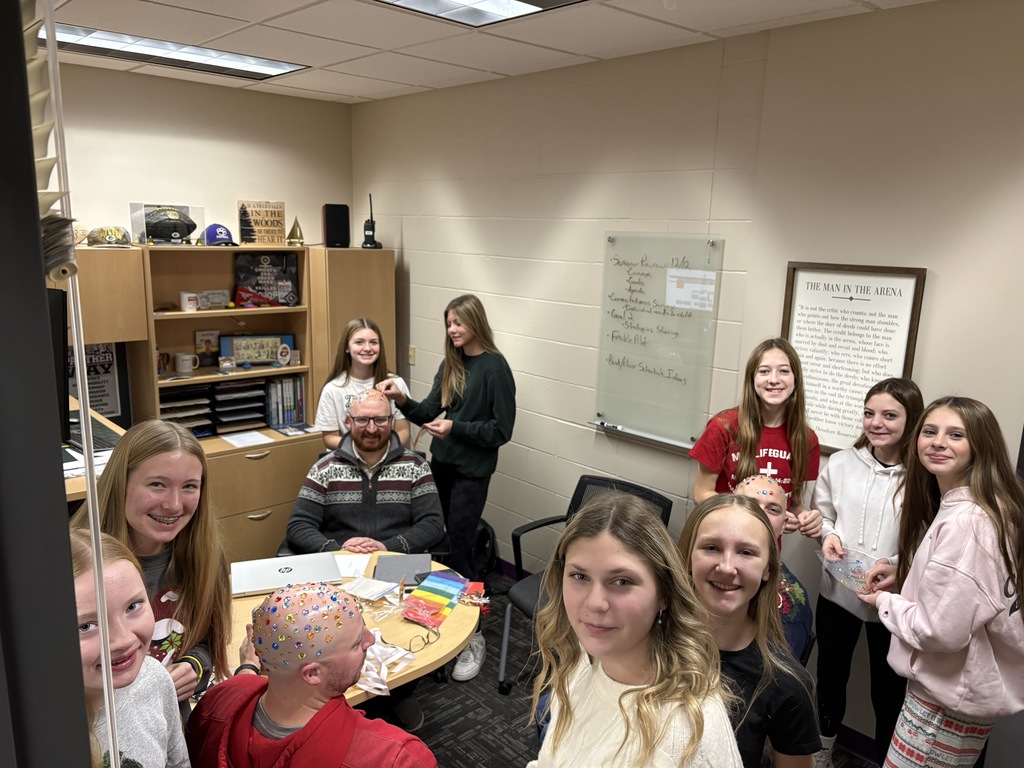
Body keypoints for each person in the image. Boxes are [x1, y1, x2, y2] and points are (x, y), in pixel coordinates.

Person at [859, 397, 1024, 767]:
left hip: (943, 706)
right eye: (930, 431)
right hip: (960, 699)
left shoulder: (967, 521)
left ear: (980, 446)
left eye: (956, 435)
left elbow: (939, 630)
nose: (937, 442)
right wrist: (905, 572)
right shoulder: (987, 506)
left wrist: (885, 603)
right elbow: (968, 587)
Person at [528, 491, 741, 768]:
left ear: (663, 593)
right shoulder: (582, 659)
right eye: (579, 576)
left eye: (622, 582)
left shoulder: (687, 731)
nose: (595, 603)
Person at [378, 293, 515, 681]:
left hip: (473, 471)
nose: (452, 330)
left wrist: (457, 428)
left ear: (476, 322)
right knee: (438, 542)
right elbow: (426, 411)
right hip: (444, 465)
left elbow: (501, 431)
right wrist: (400, 398)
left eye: (459, 322)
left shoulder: (495, 369)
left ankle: (473, 635)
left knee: (460, 548)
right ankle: (438, 620)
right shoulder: (451, 363)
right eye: (448, 323)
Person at [70, 419, 233, 719]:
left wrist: (194, 666)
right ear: (122, 482)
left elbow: (207, 639)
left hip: (170, 728)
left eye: (189, 487)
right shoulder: (76, 564)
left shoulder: (206, 557)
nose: (173, 505)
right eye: (157, 484)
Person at [186, 583, 437, 768]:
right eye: (356, 642)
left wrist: (246, 672)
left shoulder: (216, 700)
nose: (371, 641)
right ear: (313, 673)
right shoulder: (397, 759)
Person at [811, 378, 922, 767]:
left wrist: (893, 564)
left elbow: (928, 539)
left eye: (890, 415)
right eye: (869, 413)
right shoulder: (841, 463)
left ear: (911, 419)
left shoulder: (923, 477)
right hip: (837, 592)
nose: (877, 423)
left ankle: (888, 759)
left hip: (891, 601)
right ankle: (823, 750)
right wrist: (827, 536)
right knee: (830, 676)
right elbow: (823, 516)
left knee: (888, 691)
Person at [679, 494, 820, 768]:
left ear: (768, 569)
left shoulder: (785, 684)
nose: (727, 567)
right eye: (711, 547)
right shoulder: (648, 642)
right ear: (687, 556)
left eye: (746, 552)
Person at [70, 527, 190, 768]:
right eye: (86, 626)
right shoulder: (34, 730)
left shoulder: (155, 678)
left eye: (133, 607)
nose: (124, 640)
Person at [689, 338, 821, 537]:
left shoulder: (806, 439)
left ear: (796, 379)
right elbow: (701, 494)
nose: (774, 379)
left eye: (784, 371)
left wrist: (804, 517)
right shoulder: (724, 426)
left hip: (766, 551)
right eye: (764, 371)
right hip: (723, 537)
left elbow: (791, 503)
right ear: (752, 379)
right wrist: (752, 518)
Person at [288, 388, 444, 555]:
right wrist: (338, 551)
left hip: (397, 560)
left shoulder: (416, 467)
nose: (371, 429)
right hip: (340, 562)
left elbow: (432, 524)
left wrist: (387, 548)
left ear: (391, 421)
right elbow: (299, 526)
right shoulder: (325, 468)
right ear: (349, 421)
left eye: (380, 420)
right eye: (362, 420)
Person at [734, 475, 813, 663]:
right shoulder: (705, 561)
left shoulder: (788, 604)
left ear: (784, 524)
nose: (760, 515)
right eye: (749, 504)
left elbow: (773, 680)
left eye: (773, 509)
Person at [315, 317, 411, 450]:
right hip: (349, 459)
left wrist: (381, 450)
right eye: (359, 342)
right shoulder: (333, 389)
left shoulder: (395, 384)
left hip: (387, 456)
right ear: (347, 348)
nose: (367, 348)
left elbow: (403, 430)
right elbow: (329, 438)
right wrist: (363, 449)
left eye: (373, 342)